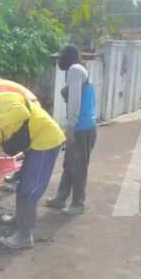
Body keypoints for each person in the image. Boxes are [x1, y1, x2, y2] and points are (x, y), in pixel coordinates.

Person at [0, 88, 65, 249]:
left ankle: (24, 236)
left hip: (46, 142)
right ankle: (19, 219)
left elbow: (23, 113)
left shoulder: (6, 100)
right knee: (22, 184)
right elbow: (4, 134)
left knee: (30, 190)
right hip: (34, 144)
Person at [46, 46, 97, 216]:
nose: (58, 62)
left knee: (78, 166)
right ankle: (60, 199)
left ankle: (78, 203)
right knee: (69, 164)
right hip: (83, 126)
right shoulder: (78, 70)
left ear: (68, 58)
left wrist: (71, 126)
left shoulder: (75, 70)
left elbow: (75, 99)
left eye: (60, 58)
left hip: (81, 128)